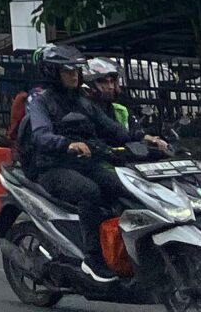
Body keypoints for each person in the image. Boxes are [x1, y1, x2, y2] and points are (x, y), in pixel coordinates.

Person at [19, 44, 170, 254]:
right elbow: (41, 135)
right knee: (89, 192)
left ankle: (127, 250)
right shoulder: (41, 103)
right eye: (67, 72)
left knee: (126, 189)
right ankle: (94, 257)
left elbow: (112, 128)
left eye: (76, 71)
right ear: (53, 73)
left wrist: (145, 137)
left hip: (86, 164)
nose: (74, 76)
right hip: (53, 167)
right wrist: (67, 144)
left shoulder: (83, 101)